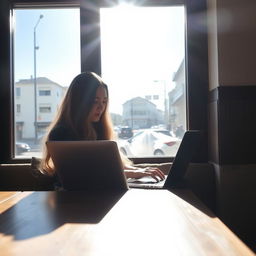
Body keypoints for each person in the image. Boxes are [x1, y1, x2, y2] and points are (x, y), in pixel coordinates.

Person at [40, 72, 165, 187]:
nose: (101, 107)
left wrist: (139, 171)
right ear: (79, 102)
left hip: (97, 197)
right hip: (71, 201)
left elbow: (108, 168)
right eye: (95, 101)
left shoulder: (99, 130)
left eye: (104, 101)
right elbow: (87, 174)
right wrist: (134, 173)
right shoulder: (61, 134)